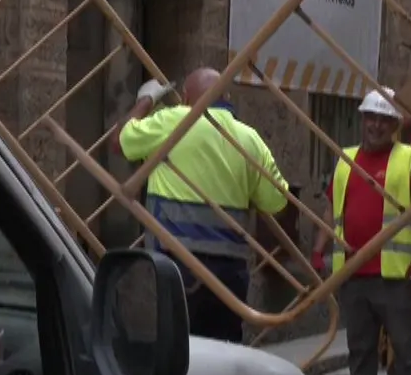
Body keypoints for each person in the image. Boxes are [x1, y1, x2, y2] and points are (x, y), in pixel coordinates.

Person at [118, 67, 290, 343]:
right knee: (222, 350)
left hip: (180, 265)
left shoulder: (174, 121)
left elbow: (122, 141)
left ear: (186, 98)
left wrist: (146, 100)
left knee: (179, 350)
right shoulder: (250, 139)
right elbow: (277, 200)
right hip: (230, 274)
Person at [312, 89, 411, 375]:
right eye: (370, 118)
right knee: (360, 347)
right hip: (353, 273)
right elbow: (329, 210)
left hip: (393, 273)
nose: (376, 125)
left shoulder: (410, 159)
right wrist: (318, 250)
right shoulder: (345, 159)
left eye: (384, 120)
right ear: (362, 119)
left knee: (405, 346)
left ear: (394, 125)